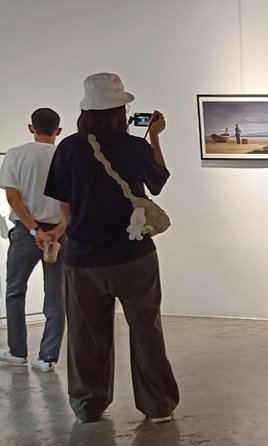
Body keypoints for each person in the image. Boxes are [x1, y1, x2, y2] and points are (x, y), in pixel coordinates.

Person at [44, 73, 179, 423]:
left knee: (86, 336)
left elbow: (64, 207)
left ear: (85, 110)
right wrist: (156, 139)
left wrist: (76, 235)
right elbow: (159, 181)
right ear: (121, 110)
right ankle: (158, 404)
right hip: (134, 255)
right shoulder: (134, 146)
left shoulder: (69, 148)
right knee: (146, 330)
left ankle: (88, 405)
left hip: (83, 259)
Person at [0, 108, 65, 373]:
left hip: (28, 233)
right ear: (58, 131)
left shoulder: (15, 154)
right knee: (56, 295)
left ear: (31, 128)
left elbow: (13, 198)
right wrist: (59, 229)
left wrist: (34, 229)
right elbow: (75, 200)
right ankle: (48, 357)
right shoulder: (66, 155)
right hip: (60, 234)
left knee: (15, 292)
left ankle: (17, 352)